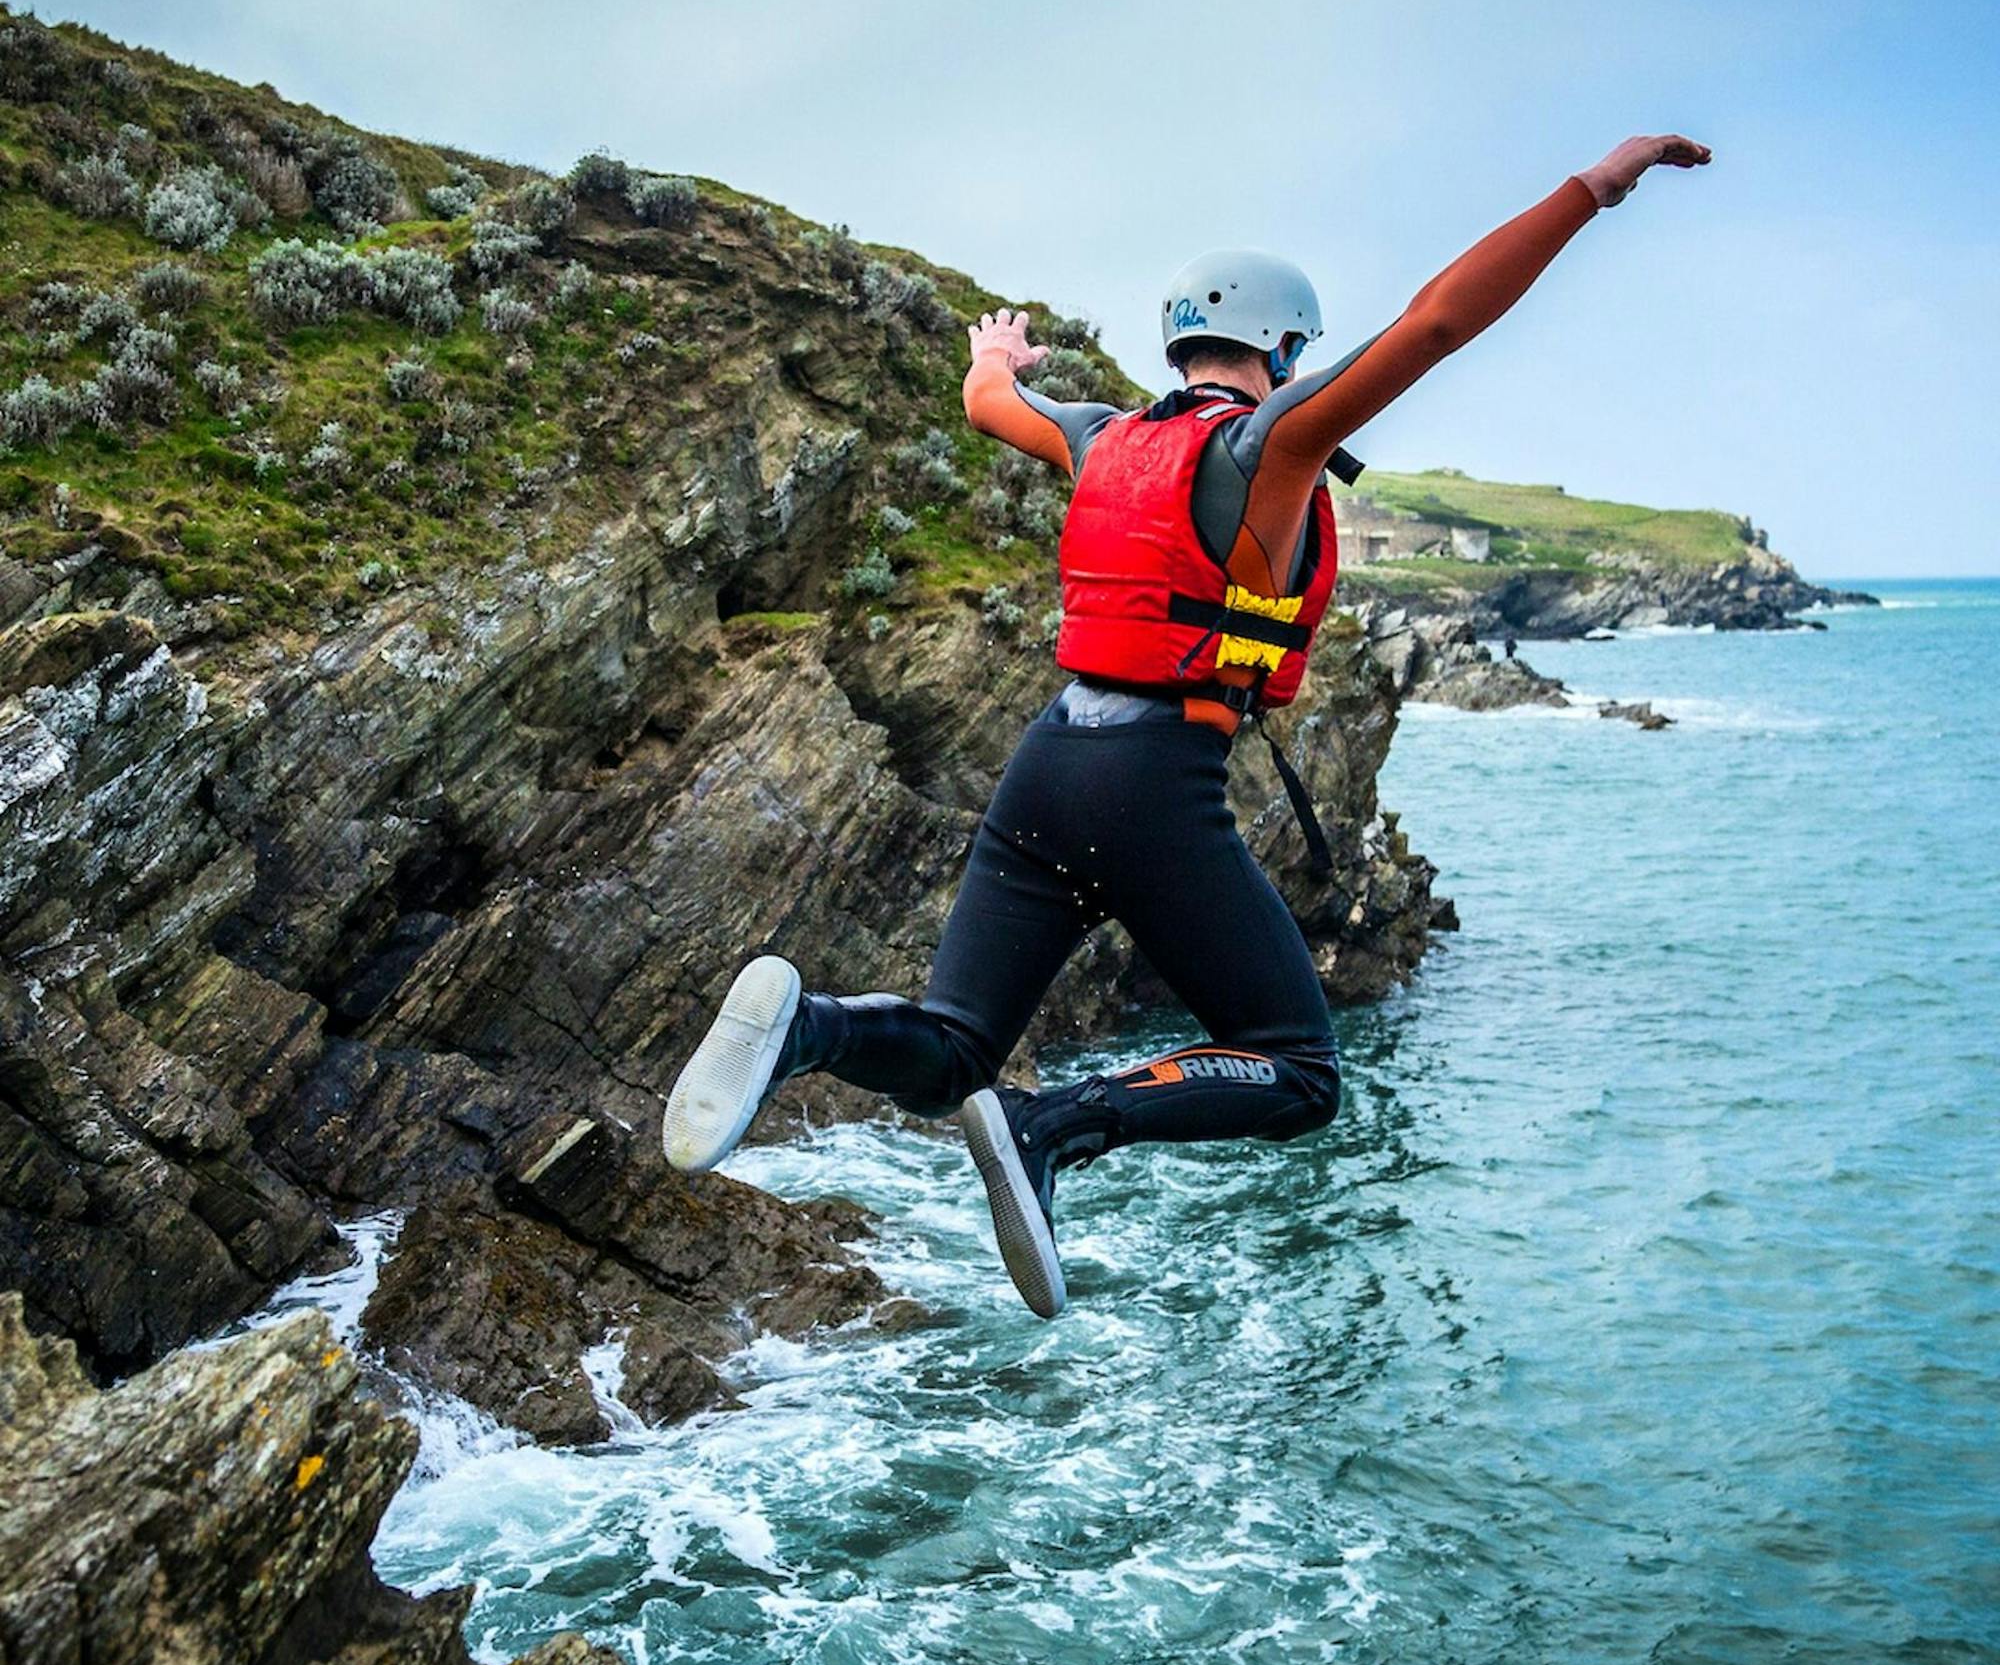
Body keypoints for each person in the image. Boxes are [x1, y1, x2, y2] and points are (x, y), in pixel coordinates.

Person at [664, 133, 1711, 1320]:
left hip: (1045, 765)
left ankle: (803, 1023)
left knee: (954, 1045)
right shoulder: (1271, 444)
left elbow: (982, 399)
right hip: (1154, 784)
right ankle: (1051, 1125)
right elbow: (1433, 324)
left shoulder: (1103, 435)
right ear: (1281, 348)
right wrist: (1593, 187)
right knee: (1300, 1069)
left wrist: (996, 351)